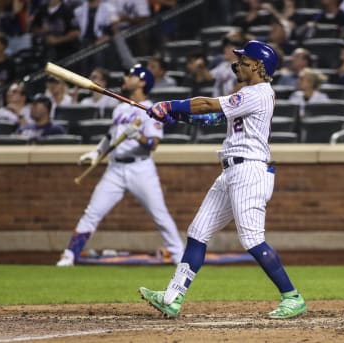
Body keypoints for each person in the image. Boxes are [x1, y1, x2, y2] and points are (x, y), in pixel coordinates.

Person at [139, 41, 307, 319]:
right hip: (231, 172)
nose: (237, 64)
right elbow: (212, 117)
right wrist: (174, 115)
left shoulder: (260, 93)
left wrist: (169, 104)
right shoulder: (245, 93)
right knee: (197, 232)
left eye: (243, 60)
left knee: (252, 239)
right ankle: (173, 297)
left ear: (257, 65)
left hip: (249, 172)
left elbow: (206, 104)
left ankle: (292, 297)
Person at [56, 64, 184, 267]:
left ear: (142, 82)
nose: (125, 78)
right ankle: (70, 255)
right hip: (115, 169)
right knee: (92, 212)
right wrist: (97, 152)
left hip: (141, 168)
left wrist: (139, 137)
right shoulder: (120, 108)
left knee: (160, 215)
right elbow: (110, 136)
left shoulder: (151, 109)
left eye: (130, 75)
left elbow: (153, 145)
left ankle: (180, 257)